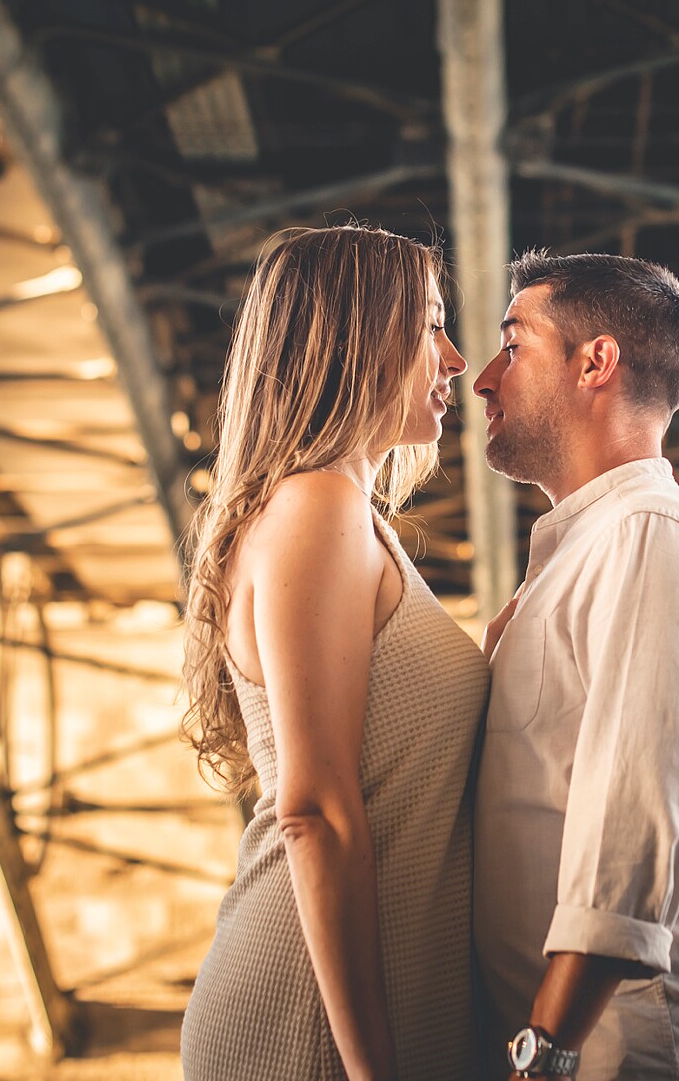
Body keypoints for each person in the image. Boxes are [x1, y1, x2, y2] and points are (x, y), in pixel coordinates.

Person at [471, 251, 679, 1080]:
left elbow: (629, 832)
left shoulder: (651, 529)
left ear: (597, 361)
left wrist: (540, 1059)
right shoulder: (582, 551)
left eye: (513, 344)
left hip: (647, 1052)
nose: (481, 377)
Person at [179, 226, 486, 1081]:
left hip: (358, 1010)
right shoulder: (316, 507)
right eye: (429, 324)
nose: (455, 356)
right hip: (311, 1023)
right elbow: (312, 809)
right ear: (356, 336)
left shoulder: (350, 517)